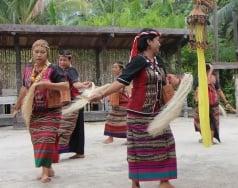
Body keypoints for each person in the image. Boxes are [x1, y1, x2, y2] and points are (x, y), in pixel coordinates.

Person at [90, 28, 179, 188]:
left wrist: (174, 80)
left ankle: (164, 181)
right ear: (149, 42)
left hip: (157, 112)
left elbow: (164, 80)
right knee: (138, 149)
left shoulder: (159, 61)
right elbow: (121, 81)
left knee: (167, 142)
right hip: (138, 113)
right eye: (157, 40)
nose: (160, 43)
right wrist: (102, 93)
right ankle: (135, 182)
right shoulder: (138, 61)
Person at [13, 39, 69, 183]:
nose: (39, 55)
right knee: (38, 141)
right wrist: (17, 105)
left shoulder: (54, 69)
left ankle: (44, 173)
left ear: (47, 53)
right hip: (35, 113)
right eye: (36, 52)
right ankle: (48, 167)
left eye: (42, 52)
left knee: (46, 139)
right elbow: (25, 88)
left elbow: (65, 86)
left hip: (52, 111)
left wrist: (48, 84)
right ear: (32, 53)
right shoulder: (28, 70)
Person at [57, 50, 92, 159]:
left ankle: (78, 152)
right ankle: (79, 152)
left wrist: (83, 85)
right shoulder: (61, 71)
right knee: (76, 128)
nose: (62, 62)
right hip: (69, 102)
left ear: (70, 60)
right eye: (60, 60)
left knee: (66, 127)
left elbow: (76, 84)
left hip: (74, 102)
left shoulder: (71, 70)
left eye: (64, 60)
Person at [193, 63, 232, 144]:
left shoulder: (207, 77)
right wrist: (226, 101)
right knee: (206, 121)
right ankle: (206, 138)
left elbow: (217, 89)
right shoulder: (202, 77)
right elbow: (217, 90)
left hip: (208, 103)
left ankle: (208, 139)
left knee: (209, 122)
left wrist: (226, 102)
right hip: (204, 103)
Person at [103, 61, 129, 144]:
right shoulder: (119, 77)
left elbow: (120, 90)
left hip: (123, 103)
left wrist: (109, 95)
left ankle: (112, 138)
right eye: (113, 67)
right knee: (112, 119)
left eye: (115, 67)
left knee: (114, 119)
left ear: (121, 69)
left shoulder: (122, 78)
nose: (113, 69)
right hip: (119, 103)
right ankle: (111, 137)